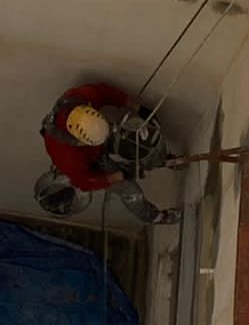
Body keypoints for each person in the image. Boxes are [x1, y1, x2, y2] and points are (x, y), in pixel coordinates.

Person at [37, 82, 182, 225]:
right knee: (131, 191)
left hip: (99, 138)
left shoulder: (80, 97)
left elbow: (107, 93)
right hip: (91, 166)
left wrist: (138, 108)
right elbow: (85, 183)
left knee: (133, 142)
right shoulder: (69, 157)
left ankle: (162, 159)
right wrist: (120, 176)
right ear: (80, 141)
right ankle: (156, 217)